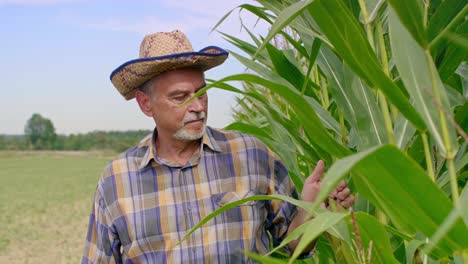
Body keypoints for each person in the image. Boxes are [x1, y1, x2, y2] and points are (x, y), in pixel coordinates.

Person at [82, 30, 354, 263]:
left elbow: (297, 245)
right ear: (145, 104)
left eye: (202, 93)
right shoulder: (116, 180)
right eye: (180, 97)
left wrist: (314, 209)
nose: (198, 107)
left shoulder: (251, 154)